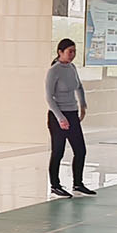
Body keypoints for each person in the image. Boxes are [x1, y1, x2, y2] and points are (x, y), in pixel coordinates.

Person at [45, 38, 94, 198]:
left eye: (74, 52)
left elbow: (79, 86)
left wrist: (83, 105)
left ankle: (78, 183)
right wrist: (60, 118)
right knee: (58, 151)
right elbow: (49, 97)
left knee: (80, 150)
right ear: (60, 52)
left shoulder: (72, 68)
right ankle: (55, 185)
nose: (72, 55)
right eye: (69, 51)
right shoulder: (54, 71)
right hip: (57, 115)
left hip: (72, 113)